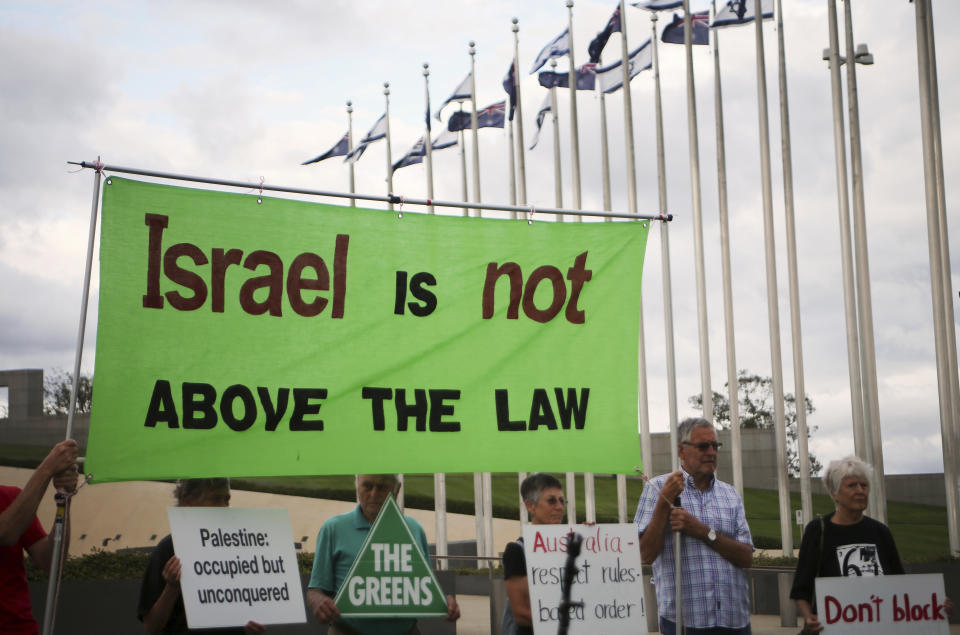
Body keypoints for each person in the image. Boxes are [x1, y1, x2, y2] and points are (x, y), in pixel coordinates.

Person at [635, 417, 754, 635]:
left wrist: (701, 531)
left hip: (734, 620)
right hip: (684, 622)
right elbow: (644, 554)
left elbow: (746, 557)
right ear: (682, 451)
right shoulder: (658, 488)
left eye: (715, 446)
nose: (711, 452)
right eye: (702, 446)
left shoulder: (730, 495)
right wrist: (663, 503)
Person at [306, 474, 460, 635]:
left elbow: (423, 588)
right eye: (367, 486)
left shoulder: (414, 529)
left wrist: (445, 605)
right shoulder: (333, 529)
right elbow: (314, 591)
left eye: (382, 487)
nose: (373, 494)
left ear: (397, 490)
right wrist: (319, 602)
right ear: (357, 486)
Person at [790, 455, 922, 633]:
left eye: (864, 485)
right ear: (834, 492)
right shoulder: (817, 531)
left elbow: (900, 584)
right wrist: (809, 618)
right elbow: (801, 588)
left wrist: (933, 606)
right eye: (852, 485)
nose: (860, 491)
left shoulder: (880, 532)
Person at [137, 478, 264, 635]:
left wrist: (249, 628)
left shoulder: (238, 547)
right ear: (189, 503)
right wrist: (172, 588)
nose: (225, 506)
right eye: (216, 499)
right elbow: (152, 626)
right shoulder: (169, 548)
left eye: (227, 499)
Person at [0, 439, 79, 635]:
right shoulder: (16, 507)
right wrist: (48, 468)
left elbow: (51, 561)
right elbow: (6, 534)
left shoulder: (11, 499)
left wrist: (64, 500)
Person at [501, 472, 566, 635]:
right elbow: (521, 613)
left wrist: (590, 537)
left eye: (561, 500)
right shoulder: (517, 552)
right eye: (551, 500)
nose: (559, 507)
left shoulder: (572, 546)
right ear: (531, 506)